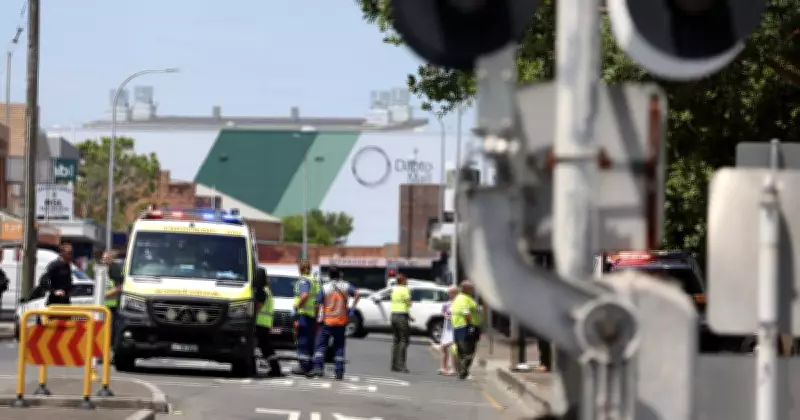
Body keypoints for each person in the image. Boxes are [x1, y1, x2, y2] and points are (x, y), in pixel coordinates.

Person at [310, 266, 360, 379]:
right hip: (341, 321)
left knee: (321, 345)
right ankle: (339, 372)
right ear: (340, 274)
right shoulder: (345, 285)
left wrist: (317, 315)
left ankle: (318, 368)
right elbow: (357, 293)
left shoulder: (325, 287)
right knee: (339, 347)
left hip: (327, 321)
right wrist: (352, 309)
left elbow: (317, 304)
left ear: (329, 275)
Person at [292, 259, 320, 376]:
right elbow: (317, 302)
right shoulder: (315, 281)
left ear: (300, 269)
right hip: (312, 315)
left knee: (302, 341)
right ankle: (309, 365)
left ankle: (303, 366)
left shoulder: (303, 281)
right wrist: (316, 314)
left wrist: (297, 308)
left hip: (303, 314)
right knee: (309, 341)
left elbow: (304, 296)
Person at [255, 269, 284, 378]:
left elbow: (258, 307)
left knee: (265, 347)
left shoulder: (262, 291)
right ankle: (275, 368)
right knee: (265, 347)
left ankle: (275, 369)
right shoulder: (268, 291)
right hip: (265, 323)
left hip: (259, 323)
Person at [451, 280, 482, 380]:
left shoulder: (459, 298)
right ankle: (463, 372)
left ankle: (461, 371)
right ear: (467, 289)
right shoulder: (464, 299)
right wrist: (471, 325)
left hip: (459, 327)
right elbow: (466, 313)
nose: (473, 290)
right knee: (468, 352)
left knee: (461, 351)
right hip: (466, 327)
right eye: (471, 288)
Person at [390, 272, 413, 373]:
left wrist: (409, 316)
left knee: (396, 340)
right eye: (406, 280)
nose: (407, 281)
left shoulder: (394, 289)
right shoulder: (405, 289)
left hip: (394, 315)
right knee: (404, 340)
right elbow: (409, 303)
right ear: (403, 280)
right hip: (401, 317)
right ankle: (402, 365)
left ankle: (394, 365)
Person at [437, 286, 457, 376]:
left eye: (452, 292)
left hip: (456, 328)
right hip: (447, 327)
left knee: (453, 348)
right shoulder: (447, 303)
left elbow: (466, 314)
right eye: (449, 292)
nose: (450, 294)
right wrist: (445, 314)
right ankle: (443, 367)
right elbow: (443, 311)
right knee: (443, 347)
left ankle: (453, 369)